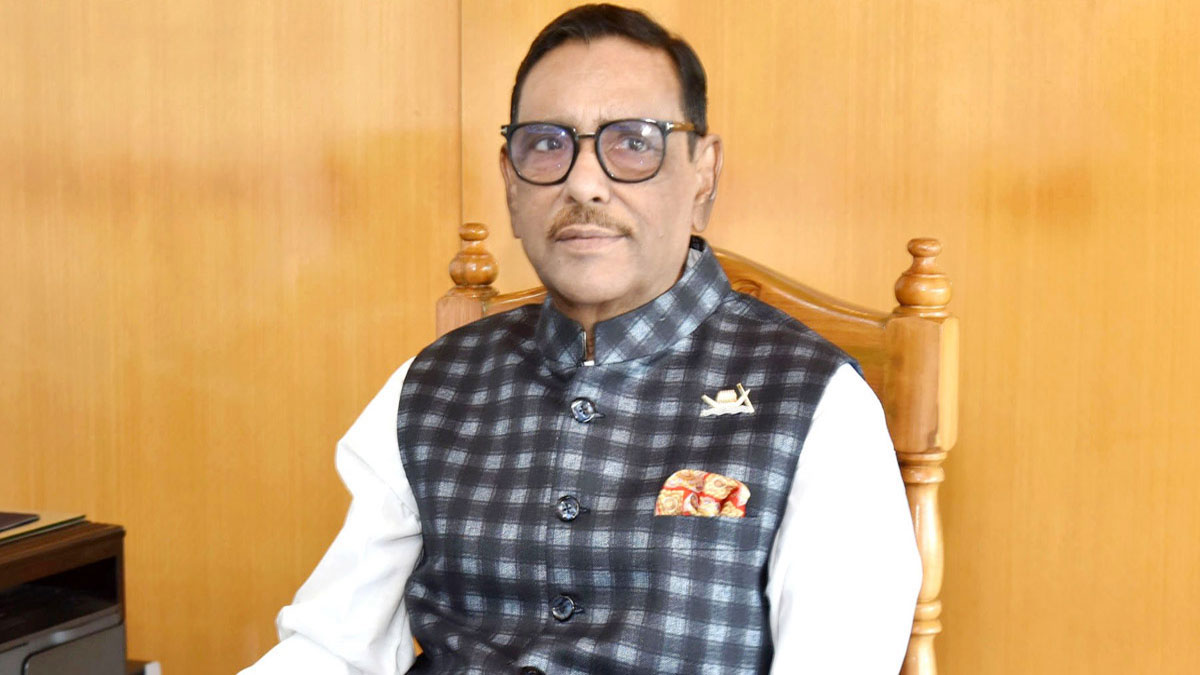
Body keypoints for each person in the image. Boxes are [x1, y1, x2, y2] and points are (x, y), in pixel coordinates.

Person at [243, 4, 920, 674]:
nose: (585, 184)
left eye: (633, 142)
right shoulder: (428, 388)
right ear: (510, 182)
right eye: (547, 144)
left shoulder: (817, 403)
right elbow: (334, 649)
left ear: (703, 173)